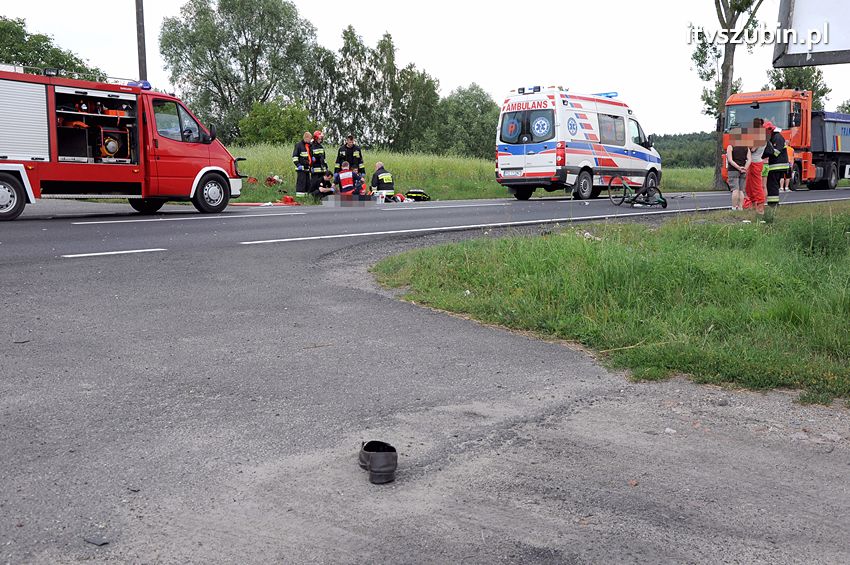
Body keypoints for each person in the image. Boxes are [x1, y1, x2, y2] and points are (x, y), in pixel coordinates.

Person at [762, 121, 789, 219]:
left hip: (777, 165)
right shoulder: (774, 137)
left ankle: (773, 204)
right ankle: (773, 203)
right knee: (772, 184)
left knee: (772, 185)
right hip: (776, 165)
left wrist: (764, 154)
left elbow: (776, 152)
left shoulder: (777, 137)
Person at [744, 119, 767, 220]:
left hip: (755, 162)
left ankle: (760, 207)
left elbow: (752, 148)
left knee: (757, 186)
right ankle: (753, 205)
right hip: (752, 162)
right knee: (749, 186)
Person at [726, 128, 751, 211]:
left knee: (735, 189)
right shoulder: (746, 147)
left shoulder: (731, 146)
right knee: (741, 190)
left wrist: (738, 168)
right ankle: (740, 207)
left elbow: (730, 159)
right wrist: (744, 168)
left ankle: (733, 208)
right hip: (743, 171)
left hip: (733, 170)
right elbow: (749, 159)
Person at [292, 132, 314, 197]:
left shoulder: (309, 145)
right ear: (306, 138)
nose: (310, 140)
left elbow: (309, 156)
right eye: (310, 138)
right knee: (301, 183)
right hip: (301, 169)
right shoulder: (298, 145)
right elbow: (295, 157)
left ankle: (306, 197)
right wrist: (298, 165)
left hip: (307, 168)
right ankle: (300, 197)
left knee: (308, 183)